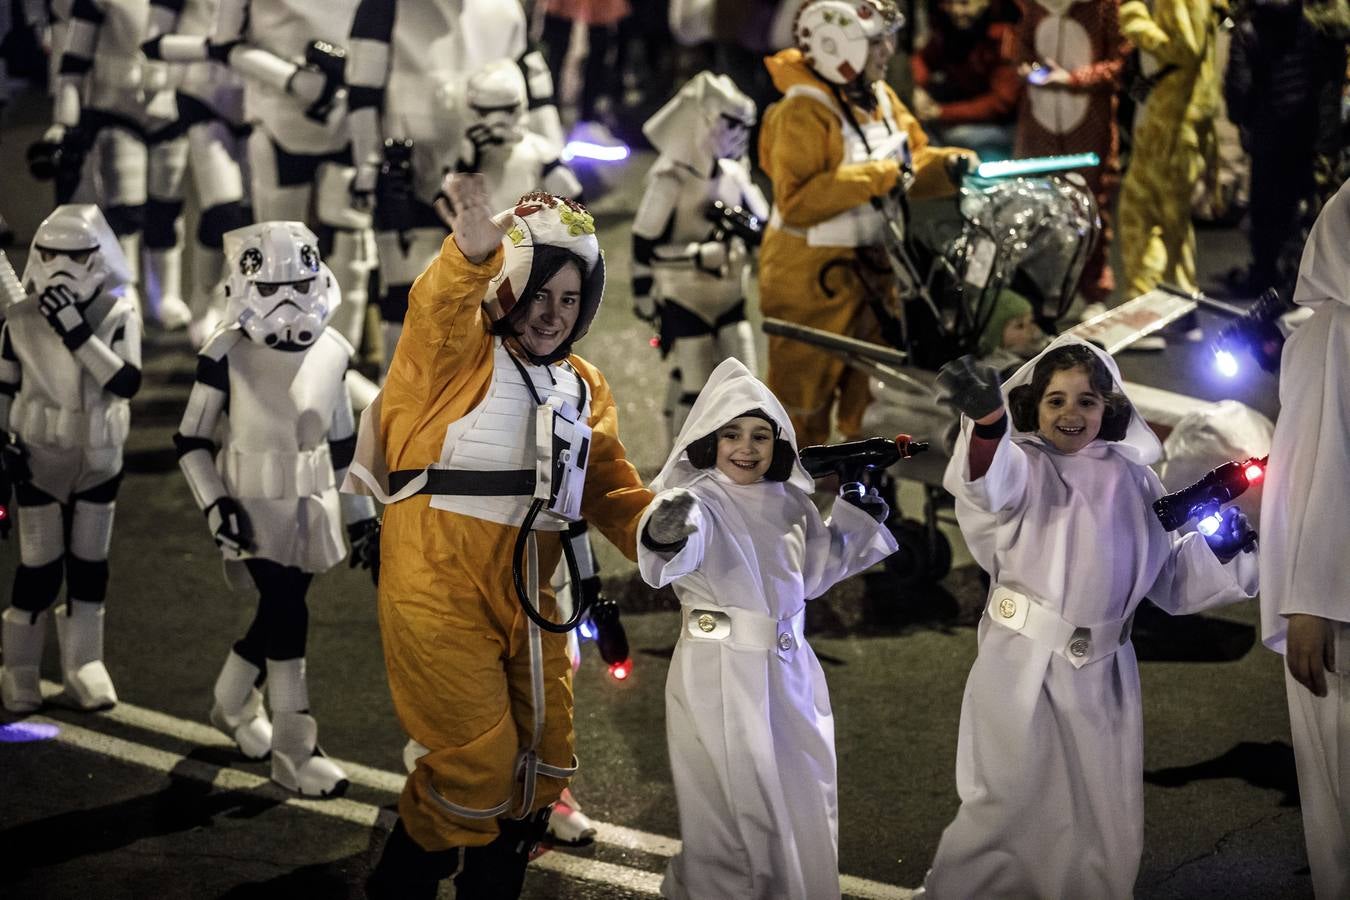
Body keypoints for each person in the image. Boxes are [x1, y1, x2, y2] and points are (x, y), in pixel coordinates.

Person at [349, 175, 652, 899]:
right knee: (474, 766)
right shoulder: (455, 356)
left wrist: (663, 533)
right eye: (539, 292)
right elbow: (437, 309)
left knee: (545, 764)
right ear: (510, 284)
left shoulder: (583, 385)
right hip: (437, 584)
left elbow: (608, 487)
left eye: (570, 299)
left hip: (531, 590)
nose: (552, 313)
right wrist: (468, 254)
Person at [922, 335, 1259, 898]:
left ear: (1110, 408)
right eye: (1055, 400)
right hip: (1025, 667)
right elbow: (988, 483)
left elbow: (1169, 579)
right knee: (1007, 803)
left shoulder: (1134, 478)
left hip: (1106, 673)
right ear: (1034, 406)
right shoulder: (1025, 464)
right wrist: (986, 424)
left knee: (1105, 814)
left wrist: (1222, 545)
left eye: (1086, 401)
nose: (1071, 413)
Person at [638, 357, 897, 900]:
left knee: (803, 794)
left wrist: (857, 518)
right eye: (731, 434)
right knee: (736, 812)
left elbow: (812, 573)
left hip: (790, 675)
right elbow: (673, 543)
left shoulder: (792, 503)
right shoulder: (700, 500)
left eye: (761, 435)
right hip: (721, 675)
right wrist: (665, 532)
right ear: (708, 437)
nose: (746, 448)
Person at [173, 221, 379, 795]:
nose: (288, 303)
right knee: (288, 612)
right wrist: (217, 507)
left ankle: (232, 702)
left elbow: (341, 445)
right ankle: (295, 747)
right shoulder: (226, 354)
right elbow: (191, 439)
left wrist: (362, 520)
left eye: (300, 285)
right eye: (271, 289)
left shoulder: (333, 351)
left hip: (309, 506)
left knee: (282, 608)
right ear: (244, 288)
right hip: (250, 507)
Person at [758, 0, 971, 448]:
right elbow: (796, 201)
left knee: (867, 401)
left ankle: (861, 493)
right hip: (809, 279)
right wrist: (880, 176)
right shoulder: (801, 110)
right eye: (877, 42)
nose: (888, 51)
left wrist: (952, 167)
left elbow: (912, 160)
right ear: (842, 46)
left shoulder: (879, 96)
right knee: (802, 403)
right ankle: (790, 502)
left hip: (870, 275)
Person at [344, 0, 560, 375]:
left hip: (491, 179)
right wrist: (368, 166)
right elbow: (362, 93)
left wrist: (551, 159)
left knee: (499, 302)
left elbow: (536, 91)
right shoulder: (385, 7)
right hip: (411, 175)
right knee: (407, 301)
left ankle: (489, 400)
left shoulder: (504, 10)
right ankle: (398, 404)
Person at [0, 205, 142, 713]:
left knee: (90, 566)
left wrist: (75, 331)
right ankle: (18, 668)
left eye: (76, 256)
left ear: (97, 256)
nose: (61, 266)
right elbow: (5, 385)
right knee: (38, 567)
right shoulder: (19, 319)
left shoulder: (120, 313)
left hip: (99, 457)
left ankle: (85, 663)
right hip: (39, 455)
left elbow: (125, 382)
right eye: (51, 255)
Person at [1259, 176, 1350, 899]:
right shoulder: (1332, 337)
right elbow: (1320, 475)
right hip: (1335, 604)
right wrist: (1310, 599)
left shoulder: (1331, 336)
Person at [631, 69, 768, 443]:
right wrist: (692, 258)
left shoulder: (734, 174)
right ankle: (680, 465)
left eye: (744, 127)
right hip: (682, 296)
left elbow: (762, 226)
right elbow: (645, 243)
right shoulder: (671, 177)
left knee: (744, 380)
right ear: (706, 119)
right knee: (695, 381)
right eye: (731, 125)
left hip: (729, 294)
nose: (738, 135)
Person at [37, 0, 192, 328]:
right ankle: (126, 285)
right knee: (126, 206)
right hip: (115, 106)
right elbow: (75, 60)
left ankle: (166, 293)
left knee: (167, 207)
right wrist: (65, 122)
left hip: (171, 105)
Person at [1223, 0, 1347, 298]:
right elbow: (1324, 77)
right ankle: (1298, 279)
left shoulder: (1249, 28)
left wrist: (1246, 119)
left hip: (1267, 133)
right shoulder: (1312, 26)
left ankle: (1264, 275)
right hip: (1305, 130)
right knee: (1302, 207)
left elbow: (1238, 90)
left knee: (1265, 208)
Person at [1010, 0, 1126, 306]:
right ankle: (1043, 293)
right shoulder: (1035, 6)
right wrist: (1028, 67)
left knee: (1090, 204)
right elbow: (1022, 47)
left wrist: (1075, 78)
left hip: (1087, 125)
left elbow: (1119, 63)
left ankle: (1092, 291)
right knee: (1037, 204)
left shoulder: (1104, 7)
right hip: (1040, 121)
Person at [1117, 0, 1220, 298]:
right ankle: (1166, 304)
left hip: (1174, 123)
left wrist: (1135, 20)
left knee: (1155, 216)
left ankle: (1160, 306)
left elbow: (1186, 48)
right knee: (1159, 217)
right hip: (1166, 119)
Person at [910, 0, 1021, 161]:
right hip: (961, 114)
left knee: (958, 138)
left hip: (1003, 126)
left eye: (964, 3)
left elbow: (1000, 103)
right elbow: (923, 59)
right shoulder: (951, 30)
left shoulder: (1004, 36)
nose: (956, 10)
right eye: (950, 3)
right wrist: (918, 88)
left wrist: (941, 112)